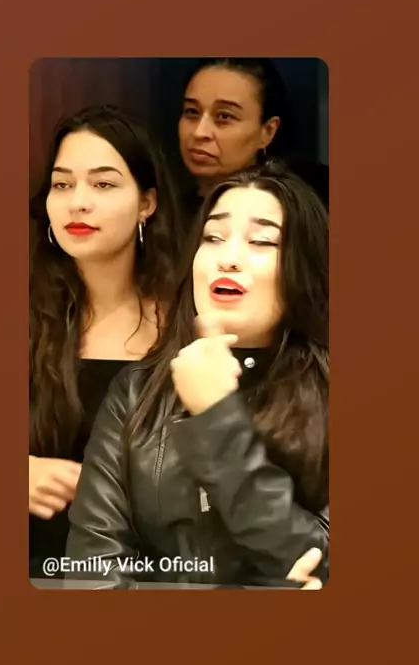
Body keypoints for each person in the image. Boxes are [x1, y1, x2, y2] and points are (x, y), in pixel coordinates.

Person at [66, 161, 329, 588]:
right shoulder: (135, 392)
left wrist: (216, 419)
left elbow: (319, 563)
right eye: (213, 237)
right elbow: (91, 575)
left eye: (262, 241)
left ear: (304, 269)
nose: (228, 258)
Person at [29, 104, 182, 577]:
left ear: (147, 203)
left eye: (103, 184)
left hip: (157, 576)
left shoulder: (189, 321)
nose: (77, 202)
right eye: (62, 185)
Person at [177, 57, 328, 225]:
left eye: (224, 116)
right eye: (192, 112)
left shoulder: (296, 215)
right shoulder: (168, 213)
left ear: (268, 131)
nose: (199, 132)